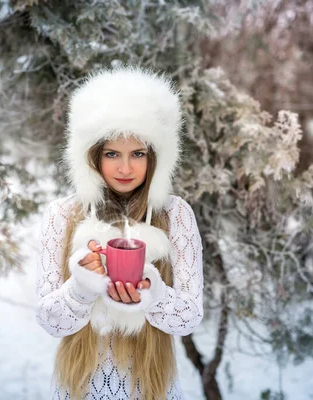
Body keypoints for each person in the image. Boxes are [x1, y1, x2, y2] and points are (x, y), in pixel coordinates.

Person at [36, 66, 204, 400]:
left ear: (156, 157)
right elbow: (51, 322)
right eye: (112, 153)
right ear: (92, 156)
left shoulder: (176, 215)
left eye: (138, 154)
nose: (125, 168)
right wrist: (82, 289)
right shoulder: (62, 215)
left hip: (153, 387)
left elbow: (189, 318)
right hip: (79, 388)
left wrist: (154, 293)